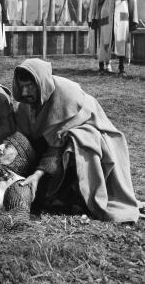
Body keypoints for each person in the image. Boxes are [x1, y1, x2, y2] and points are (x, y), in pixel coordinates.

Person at [13, 59, 139, 222]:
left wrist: (37, 175)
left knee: (78, 140)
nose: (24, 92)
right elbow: (29, 138)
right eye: (22, 86)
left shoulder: (67, 96)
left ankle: (77, 195)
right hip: (55, 146)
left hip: (95, 144)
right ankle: (56, 193)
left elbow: (56, 146)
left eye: (30, 86)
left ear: (41, 83)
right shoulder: (27, 102)